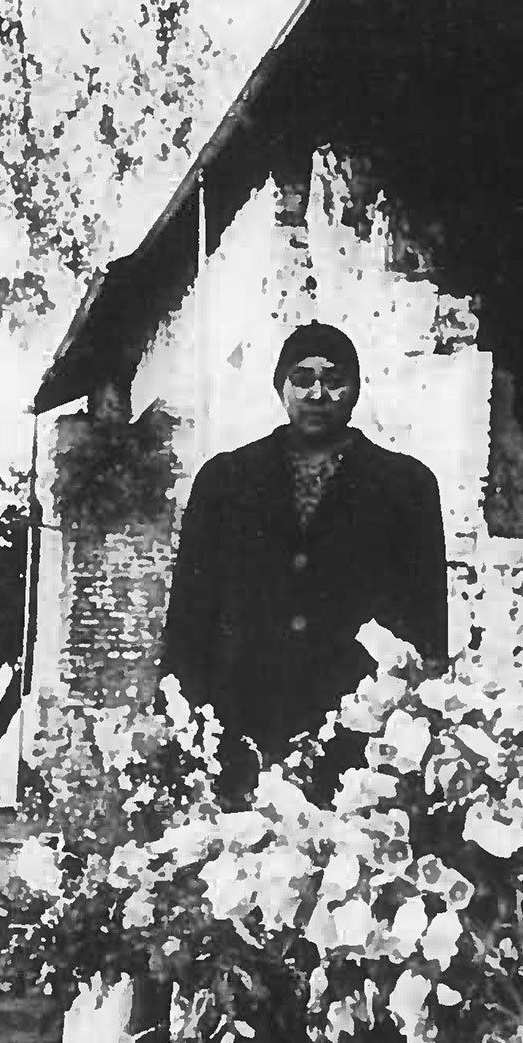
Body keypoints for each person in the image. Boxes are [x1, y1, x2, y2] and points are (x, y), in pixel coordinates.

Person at [163, 321, 448, 802]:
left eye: (334, 379)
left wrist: (419, 721)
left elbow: (427, 622)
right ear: (281, 387)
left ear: (356, 389)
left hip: (358, 725)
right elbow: (190, 614)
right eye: (302, 378)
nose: (318, 394)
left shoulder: (406, 485)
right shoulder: (226, 480)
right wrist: (183, 721)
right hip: (243, 717)